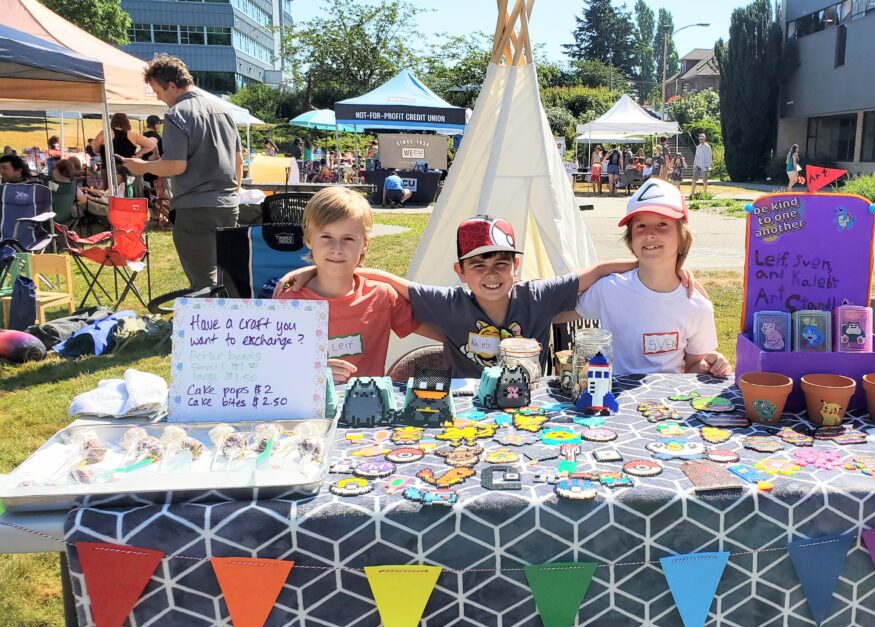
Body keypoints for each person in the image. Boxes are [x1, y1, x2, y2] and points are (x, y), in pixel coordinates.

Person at [276, 215, 702, 378]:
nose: (492, 274)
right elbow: (399, 285)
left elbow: (589, 274)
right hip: (469, 415)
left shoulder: (536, 296)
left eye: (502, 263)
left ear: (517, 267)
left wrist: (661, 267)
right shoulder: (451, 304)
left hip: (529, 410)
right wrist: (318, 268)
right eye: (478, 265)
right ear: (460, 272)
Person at [571, 178, 730, 377]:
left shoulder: (697, 305)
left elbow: (694, 367)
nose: (651, 234)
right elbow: (555, 312)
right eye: (641, 226)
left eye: (663, 224)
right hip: (614, 402)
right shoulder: (609, 289)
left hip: (669, 406)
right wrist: (601, 269)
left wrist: (711, 365)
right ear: (630, 241)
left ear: (682, 239)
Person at [276, 188, 437, 384]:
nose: (336, 249)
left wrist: (480, 339)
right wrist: (313, 371)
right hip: (307, 410)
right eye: (326, 237)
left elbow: (443, 334)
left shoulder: (382, 297)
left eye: (348, 239)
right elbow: (274, 364)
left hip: (367, 409)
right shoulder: (288, 302)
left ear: (365, 244)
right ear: (308, 239)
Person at [122, 54, 242, 290]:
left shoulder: (177, 115)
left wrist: (142, 167)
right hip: (228, 206)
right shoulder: (224, 112)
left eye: (158, 92)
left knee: (203, 281)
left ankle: (210, 324)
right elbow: (238, 161)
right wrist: (234, 193)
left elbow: (176, 165)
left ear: (172, 86)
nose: (158, 98)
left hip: (194, 208)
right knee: (227, 275)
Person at [91, 112, 157, 167]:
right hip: (129, 167)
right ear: (127, 122)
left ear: (113, 122)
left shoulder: (105, 133)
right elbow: (151, 145)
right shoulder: (133, 135)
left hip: (108, 169)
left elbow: (95, 150)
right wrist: (138, 154)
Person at [139, 115, 163, 188]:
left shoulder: (144, 135)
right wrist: (156, 155)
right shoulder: (154, 135)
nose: (160, 125)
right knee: (155, 187)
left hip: (146, 163)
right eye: (159, 123)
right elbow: (152, 144)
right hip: (154, 164)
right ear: (155, 124)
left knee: (148, 186)